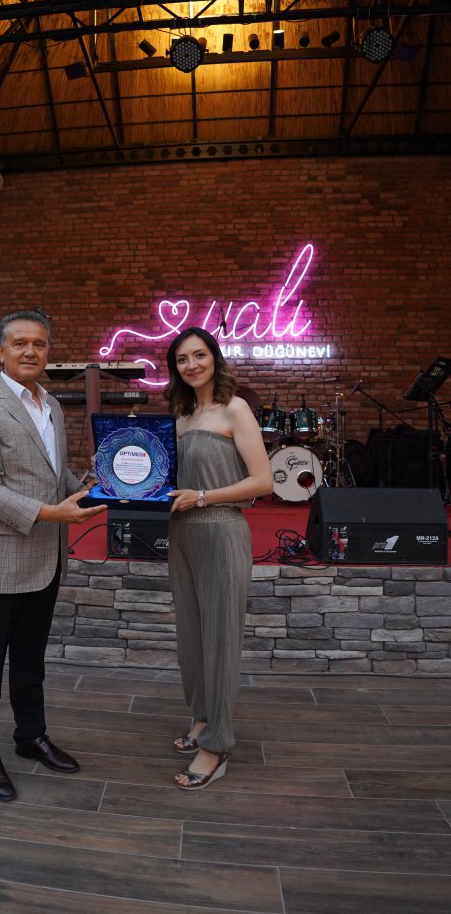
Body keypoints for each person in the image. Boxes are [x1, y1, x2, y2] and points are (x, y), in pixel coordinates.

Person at [0, 310, 107, 802]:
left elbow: (55, 478)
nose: (30, 351)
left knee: (30, 662)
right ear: (0, 351)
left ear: (47, 352)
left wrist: (99, 481)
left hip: (47, 559)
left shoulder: (52, 407)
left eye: (39, 344)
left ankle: (30, 737)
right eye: (19, 343)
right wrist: (52, 513)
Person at [164, 326, 272, 790]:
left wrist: (204, 496)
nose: (191, 365)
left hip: (222, 529)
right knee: (191, 636)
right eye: (182, 359)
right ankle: (203, 717)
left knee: (221, 638)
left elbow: (263, 480)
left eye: (199, 355)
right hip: (181, 533)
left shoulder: (235, 408)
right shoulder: (181, 413)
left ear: (215, 358)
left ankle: (218, 744)